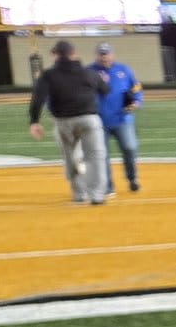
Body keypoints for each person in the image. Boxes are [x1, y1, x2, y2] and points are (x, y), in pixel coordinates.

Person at [27, 40, 111, 204]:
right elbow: (105, 90)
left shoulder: (49, 75)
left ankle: (79, 193)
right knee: (95, 156)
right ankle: (97, 194)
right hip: (89, 119)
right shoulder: (88, 73)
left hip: (63, 121)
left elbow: (38, 98)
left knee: (70, 157)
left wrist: (34, 121)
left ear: (54, 54)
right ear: (74, 53)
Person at [92, 42, 144, 193]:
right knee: (102, 155)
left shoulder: (124, 70)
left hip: (123, 119)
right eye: (101, 54)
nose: (104, 57)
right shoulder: (89, 71)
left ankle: (132, 178)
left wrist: (136, 102)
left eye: (106, 54)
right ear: (97, 55)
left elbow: (136, 88)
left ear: (112, 54)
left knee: (130, 148)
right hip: (99, 121)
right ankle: (107, 186)